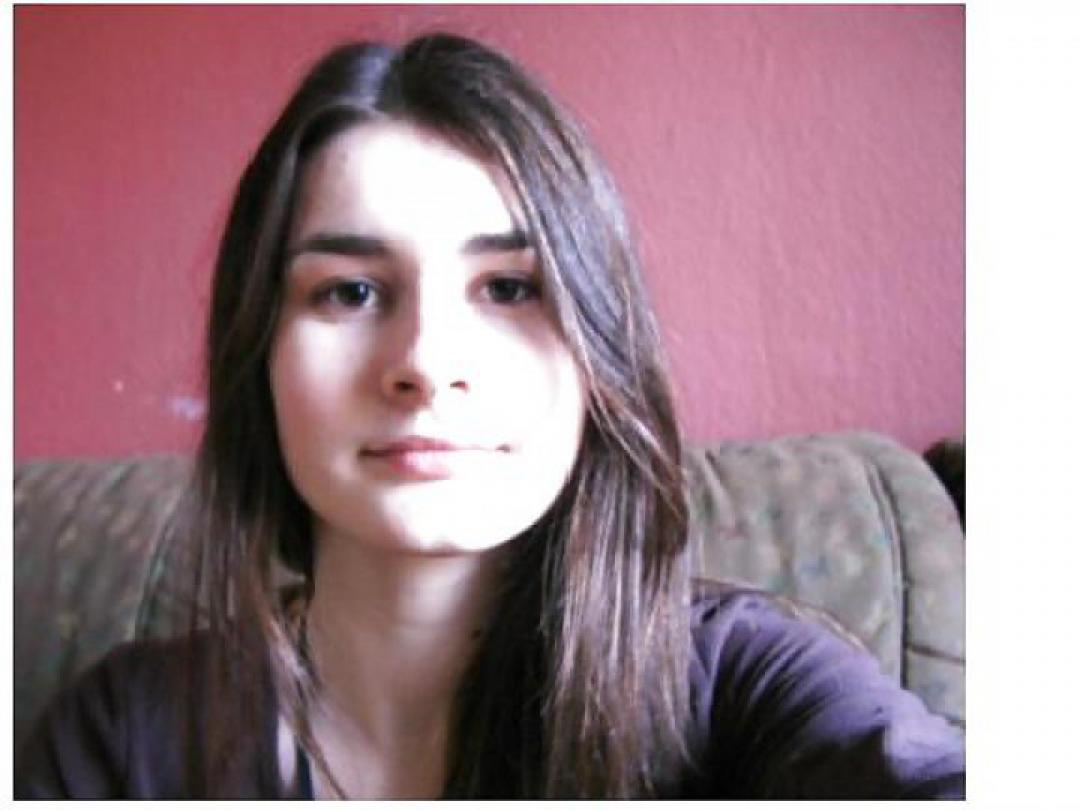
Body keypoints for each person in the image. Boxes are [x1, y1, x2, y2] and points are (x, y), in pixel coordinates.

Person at [15, 33, 965, 799]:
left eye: (509, 288)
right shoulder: (121, 739)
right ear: (256, 352)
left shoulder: (745, 681)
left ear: (599, 351)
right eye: (349, 291)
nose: (427, 365)